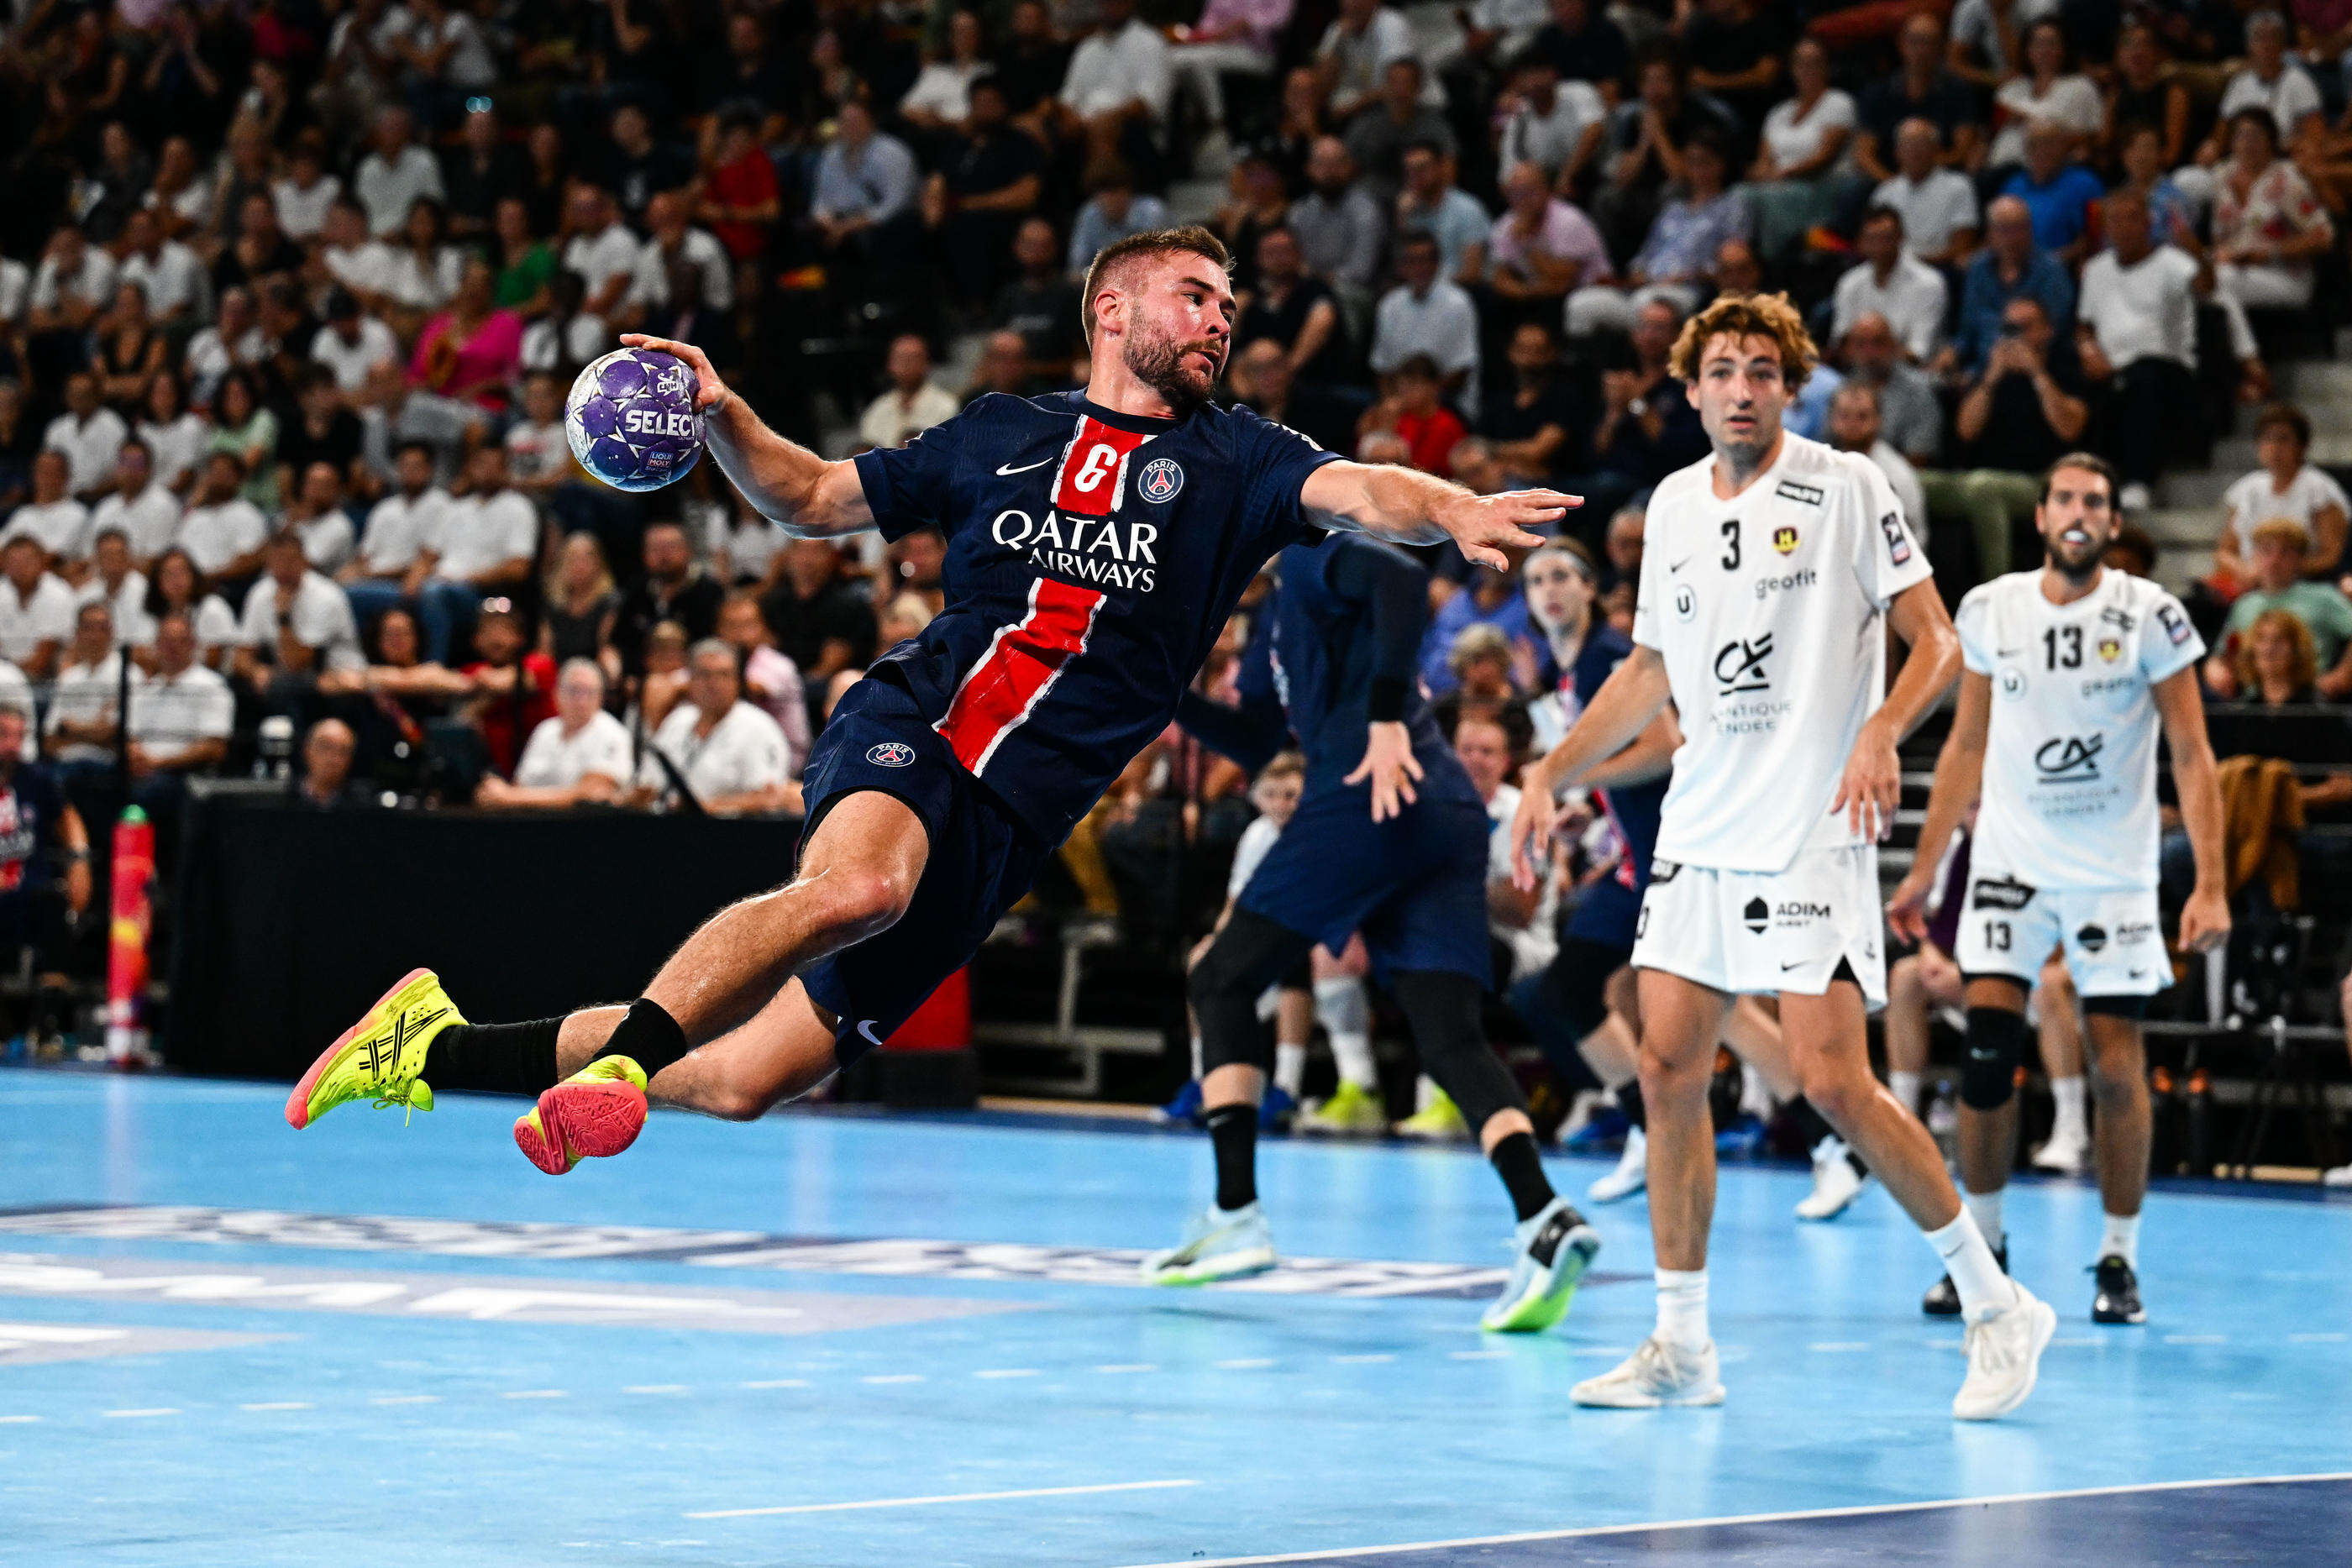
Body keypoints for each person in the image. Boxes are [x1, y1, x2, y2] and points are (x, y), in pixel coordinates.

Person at [287, 223, 1569, 1186]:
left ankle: (428, 1043)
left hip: (1016, 818)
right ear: (1112, 307)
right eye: (1197, 296)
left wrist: (1451, 507)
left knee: (742, 1080)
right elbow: (808, 497)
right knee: (857, 888)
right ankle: (624, 1055)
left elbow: (1367, 492)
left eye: (1231, 306)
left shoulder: (1241, 459)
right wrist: (728, 413)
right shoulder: (1000, 430)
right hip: (924, 718)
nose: (1221, 321)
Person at [1508, 291, 2055, 1419]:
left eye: (1763, 369)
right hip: (1703, 823)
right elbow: (1649, 674)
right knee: (1664, 1067)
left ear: (1787, 383)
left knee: (1830, 1079)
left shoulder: (1847, 485)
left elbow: (1938, 642)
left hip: (1812, 824)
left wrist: (1880, 728)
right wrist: (1551, 771)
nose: (1743, 388)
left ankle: (1996, 1299)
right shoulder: (1667, 505)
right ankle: (1682, 1341)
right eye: (1723, 371)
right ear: (1691, 385)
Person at [1152, 529, 1604, 1331]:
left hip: (1369, 798)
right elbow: (1257, 737)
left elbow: (1400, 579)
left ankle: (1235, 1212)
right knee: (1450, 1038)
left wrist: (1390, 715)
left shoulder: (1307, 546)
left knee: (1219, 978)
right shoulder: (1272, 622)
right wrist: (1163, 696)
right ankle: (1544, 1215)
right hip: (1436, 817)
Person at [1890, 453, 2229, 1326]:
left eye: (2096, 503)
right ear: (2039, 515)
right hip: (2008, 860)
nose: (2079, 513)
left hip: (2110, 870)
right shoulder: (1990, 607)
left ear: (2113, 524)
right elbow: (1964, 745)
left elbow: (2192, 754)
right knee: (1986, 1051)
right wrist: (1926, 872)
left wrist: (2211, 883)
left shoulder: (2150, 613)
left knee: (2118, 1064)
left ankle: (2117, 1258)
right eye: (2065, 499)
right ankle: (1983, 1254)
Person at [2075, 186, 2209, 511]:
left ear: (2148, 223)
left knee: (2142, 379)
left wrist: (2197, 254)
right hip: (2109, 366)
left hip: (2166, 369)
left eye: (2131, 219)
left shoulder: (2173, 263)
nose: (2123, 228)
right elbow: (2085, 326)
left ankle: (2139, 482)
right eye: (2115, 221)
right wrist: (2088, 350)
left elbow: (2206, 287)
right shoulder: (2096, 269)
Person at [631, 637, 795, 815]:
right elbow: (648, 784)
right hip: (667, 825)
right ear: (691, 680)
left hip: (732, 832)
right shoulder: (677, 721)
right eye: (705, 675)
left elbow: (769, 798)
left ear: (737, 682)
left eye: (724, 674)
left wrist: (704, 808)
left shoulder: (758, 728)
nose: (714, 684)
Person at [2205, 521, 2352, 698]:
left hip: (2309, 699)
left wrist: (2342, 675)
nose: (2274, 560)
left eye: (2286, 552)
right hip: (2254, 700)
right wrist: (2215, 667)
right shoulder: (2245, 604)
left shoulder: (2324, 598)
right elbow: (2226, 651)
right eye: (2266, 550)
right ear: (2254, 555)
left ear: (2300, 558)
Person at [2211, 403, 2349, 590]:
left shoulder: (2319, 489)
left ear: (2302, 446)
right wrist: (2244, 570)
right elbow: (2225, 551)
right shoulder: (2246, 489)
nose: (2274, 447)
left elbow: (2332, 556)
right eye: (2267, 439)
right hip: (2251, 581)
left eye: (2283, 439)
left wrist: (2278, 570)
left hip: (2302, 584)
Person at [477, 658, 633, 810]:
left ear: (601, 697)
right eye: (574, 691)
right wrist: (498, 794)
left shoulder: (613, 733)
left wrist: (510, 797)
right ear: (556, 693)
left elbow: (589, 795)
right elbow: (520, 784)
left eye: (590, 692)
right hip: (531, 825)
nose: (581, 701)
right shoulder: (545, 730)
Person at [1829, 207, 1946, 361]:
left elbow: (1918, 352)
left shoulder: (1929, 283)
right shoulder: (1850, 282)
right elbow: (1841, 343)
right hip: (1857, 370)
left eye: (1885, 238)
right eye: (1872, 239)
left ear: (1900, 238)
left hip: (1911, 374)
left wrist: (1873, 356)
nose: (1879, 246)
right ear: (1861, 242)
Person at [1870, 118, 1978, 268]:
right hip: (1893, 269)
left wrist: (1917, 264)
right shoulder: (1885, 192)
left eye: (1922, 144)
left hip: (1940, 267)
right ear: (1897, 152)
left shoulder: (1959, 186)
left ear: (1936, 149)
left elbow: (1962, 246)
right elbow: (1873, 242)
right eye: (1908, 144)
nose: (1914, 151)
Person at [857, 335, 961, 454]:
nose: (906, 364)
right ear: (889, 365)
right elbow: (866, 454)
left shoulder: (946, 405)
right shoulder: (877, 409)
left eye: (913, 358)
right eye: (900, 358)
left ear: (927, 363)